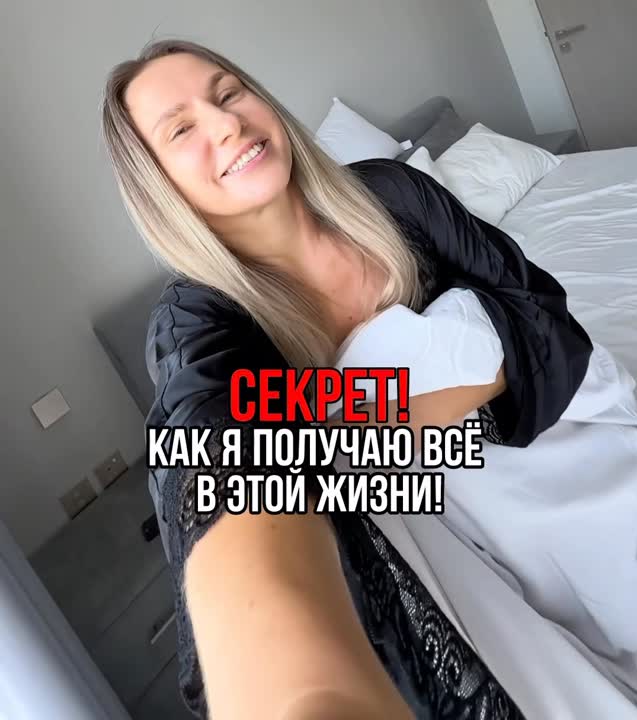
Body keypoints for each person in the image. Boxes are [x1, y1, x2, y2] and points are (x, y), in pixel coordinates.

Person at [102, 38, 595, 720]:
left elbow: (538, 309)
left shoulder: (393, 193)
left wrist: (401, 418)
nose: (226, 123)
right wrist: (296, 688)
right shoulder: (197, 318)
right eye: (180, 130)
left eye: (229, 93)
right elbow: (218, 461)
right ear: (158, 184)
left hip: (555, 444)